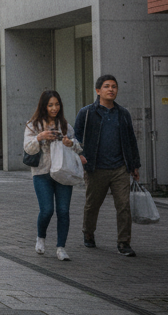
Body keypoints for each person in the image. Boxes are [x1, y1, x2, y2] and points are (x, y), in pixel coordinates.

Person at [75, 75, 142, 257]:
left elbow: (131, 140)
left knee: (123, 205)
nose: (111, 89)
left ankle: (124, 242)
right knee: (92, 205)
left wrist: (134, 165)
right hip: (96, 167)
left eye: (114, 86)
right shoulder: (87, 113)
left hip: (120, 168)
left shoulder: (123, 114)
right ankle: (88, 233)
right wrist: (80, 156)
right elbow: (76, 138)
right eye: (106, 86)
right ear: (98, 91)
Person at [24, 91, 86, 261]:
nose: (54, 108)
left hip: (63, 172)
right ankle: (41, 238)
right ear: (44, 106)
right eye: (50, 105)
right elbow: (28, 149)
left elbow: (78, 147)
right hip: (42, 173)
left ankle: (61, 248)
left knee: (63, 210)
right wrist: (39, 137)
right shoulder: (33, 125)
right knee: (47, 210)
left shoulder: (64, 125)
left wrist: (70, 143)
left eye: (57, 104)